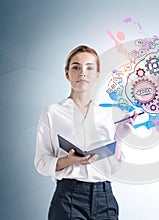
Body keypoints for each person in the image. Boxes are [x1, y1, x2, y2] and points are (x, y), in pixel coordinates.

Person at [34, 45, 136, 220]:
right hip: (68, 197)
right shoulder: (52, 112)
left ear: (97, 74)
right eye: (76, 67)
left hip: (104, 197)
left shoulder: (106, 114)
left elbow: (114, 167)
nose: (83, 73)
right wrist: (68, 161)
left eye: (89, 68)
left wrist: (118, 138)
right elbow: (41, 162)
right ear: (67, 73)